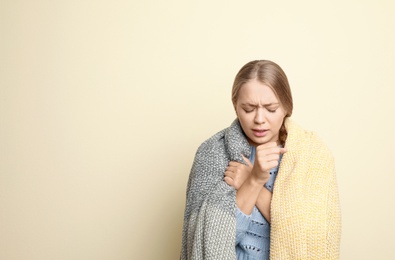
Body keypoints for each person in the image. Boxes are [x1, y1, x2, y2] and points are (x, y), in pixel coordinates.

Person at [180, 60, 341, 260]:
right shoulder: (212, 153)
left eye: (271, 109)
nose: (259, 119)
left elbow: (309, 238)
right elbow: (208, 244)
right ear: (235, 107)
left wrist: (253, 179)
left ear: (286, 108)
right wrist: (253, 182)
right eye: (248, 109)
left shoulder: (313, 155)